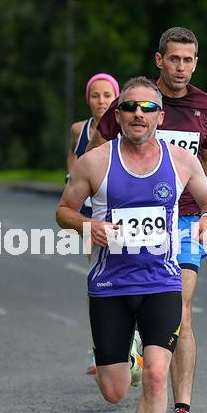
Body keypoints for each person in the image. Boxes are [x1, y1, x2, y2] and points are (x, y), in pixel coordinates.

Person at [57, 77, 207, 413]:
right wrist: (87, 225)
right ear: (119, 115)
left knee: (156, 375)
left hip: (161, 283)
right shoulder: (95, 162)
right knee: (114, 391)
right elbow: (63, 210)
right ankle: (124, 358)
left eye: (147, 108)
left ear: (159, 116)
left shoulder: (180, 161)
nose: (138, 114)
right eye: (130, 107)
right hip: (110, 286)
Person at [87, 27, 207, 413]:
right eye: (174, 59)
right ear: (159, 60)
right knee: (133, 306)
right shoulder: (136, 102)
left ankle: (181, 411)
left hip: (183, 219)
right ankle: (128, 346)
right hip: (127, 216)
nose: (182, 67)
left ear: (196, 62)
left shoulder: (204, 105)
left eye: (189, 59)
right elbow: (97, 145)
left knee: (181, 303)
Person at [67, 72, 120, 375]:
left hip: (118, 207)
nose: (101, 101)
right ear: (87, 98)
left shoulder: (125, 125)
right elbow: (73, 156)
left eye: (107, 96)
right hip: (89, 211)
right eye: (95, 96)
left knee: (130, 272)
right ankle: (99, 347)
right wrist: (72, 179)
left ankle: (133, 336)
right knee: (97, 277)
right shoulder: (79, 128)